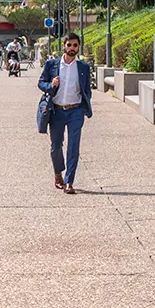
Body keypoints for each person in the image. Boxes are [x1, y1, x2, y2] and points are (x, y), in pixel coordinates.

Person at [38, 33, 93, 194]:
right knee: (56, 145)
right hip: (56, 110)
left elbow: (87, 90)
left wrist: (84, 107)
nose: (72, 48)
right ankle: (58, 174)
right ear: (64, 45)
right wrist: (51, 85)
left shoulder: (83, 67)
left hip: (75, 110)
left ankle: (69, 181)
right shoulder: (52, 64)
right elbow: (41, 83)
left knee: (74, 146)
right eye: (69, 45)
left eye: (75, 46)